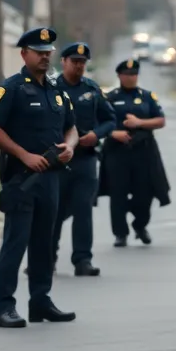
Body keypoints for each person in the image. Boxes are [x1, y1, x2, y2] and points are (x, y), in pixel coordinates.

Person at [0, 27, 79, 328]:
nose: (45, 57)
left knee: (43, 242)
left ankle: (40, 301)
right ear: (24, 54)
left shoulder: (57, 90)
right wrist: (24, 154)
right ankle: (5, 307)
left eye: (48, 52)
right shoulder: (11, 89)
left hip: (51, 178)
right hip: (21, 178)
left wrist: (70, 147)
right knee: (16, 241)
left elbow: (71, 127)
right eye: (39, 52)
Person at [51, 42, 116, 276]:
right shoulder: (51, 88)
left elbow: (110, 120)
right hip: (57, 161)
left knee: (83, 210)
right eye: (74, 61)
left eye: (82, 62)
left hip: (85, 160)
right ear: (63, 62)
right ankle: (47, 258)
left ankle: (82, 260)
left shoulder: (91, 89)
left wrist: (96, 135)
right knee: (53, 211)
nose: (79, 66)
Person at [98, 59, 170, 246]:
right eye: (127, 74)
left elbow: (160, 120)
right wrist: (114, 133)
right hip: (117, 151)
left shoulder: (147, 97)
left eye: (134, 74)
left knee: (145, 194)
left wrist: (139, 123)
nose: (131, 78)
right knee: (118, 194)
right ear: (120, 76)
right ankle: (120, 233)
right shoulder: (110, 97)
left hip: (143, 151)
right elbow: (98, 123)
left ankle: (140, 224)